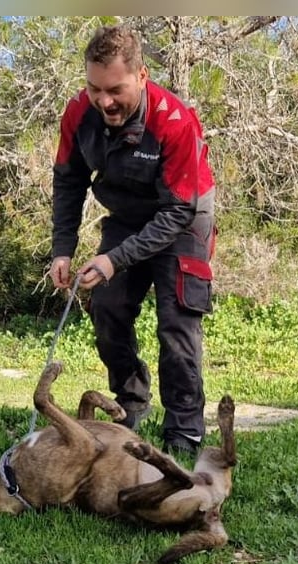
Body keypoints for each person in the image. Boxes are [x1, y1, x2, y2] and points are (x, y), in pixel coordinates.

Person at [49, 25, 216, 456]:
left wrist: (112, 259)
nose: (104, 101)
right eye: (94, 88)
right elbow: (68, 180)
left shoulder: (174, 121)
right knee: (107, 304)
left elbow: (179, 211)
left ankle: (184, 431)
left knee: (176, 321)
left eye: (116, 90)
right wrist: (63, 248)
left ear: (141, 76)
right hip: (126, 216)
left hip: (184, 215)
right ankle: (130, 406)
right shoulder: (78, 114)